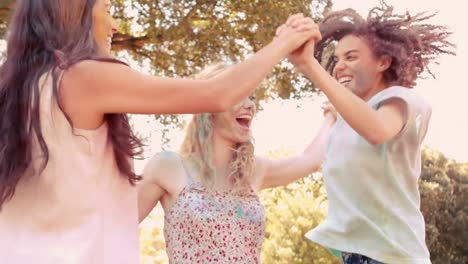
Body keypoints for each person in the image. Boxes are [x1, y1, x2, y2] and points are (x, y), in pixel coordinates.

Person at [0, 0, 320, 263]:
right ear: (73, 9)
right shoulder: (82, 78)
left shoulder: (20, 93)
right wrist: (283, 42)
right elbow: (216, 94)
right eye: (109, 10)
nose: (114, 27)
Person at [281, 3, 455, 264]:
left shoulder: (403, 100)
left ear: (383, 62)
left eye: (351, 57)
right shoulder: (346, 123)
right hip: (358, 256)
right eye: (336, 59)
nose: (339, 66)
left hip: (394, 257)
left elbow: (376, 129)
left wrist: (311, 67)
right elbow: (312, 159)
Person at [138, 62, 336, 264]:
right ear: (209, 103)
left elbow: (309, 160)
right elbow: (114, 227)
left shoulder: (253, 171)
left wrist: (331, 115)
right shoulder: (168, 167)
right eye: (239, 94)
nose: (250, 104)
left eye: (251, 96)